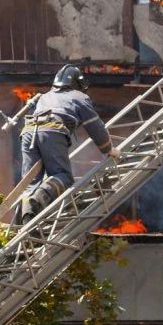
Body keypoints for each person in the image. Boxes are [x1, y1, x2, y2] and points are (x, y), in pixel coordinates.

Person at [19, 65, 120, 220]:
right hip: (51, 131)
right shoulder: (79, 97)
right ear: (77, 84)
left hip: (28, 132)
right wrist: (108, 149)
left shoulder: (45, 97)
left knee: (31, 183)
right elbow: (95, 126)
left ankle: (26, 222)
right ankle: (39, 199)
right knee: (63, 176)